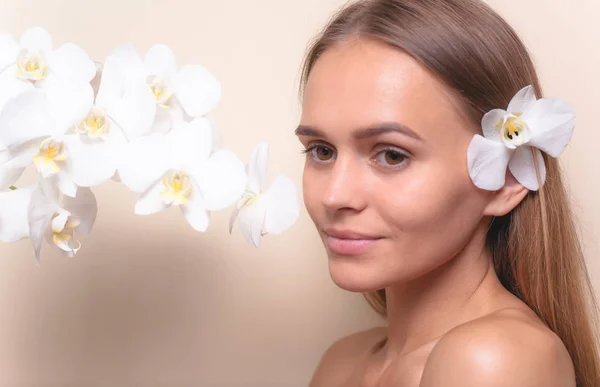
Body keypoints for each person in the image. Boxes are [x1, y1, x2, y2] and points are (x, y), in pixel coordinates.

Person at [295, 0, 600, 386]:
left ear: (507, 178)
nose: (334, 196)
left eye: (391, 155)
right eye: (321, 151)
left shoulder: (493, 360)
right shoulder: (342, 362)